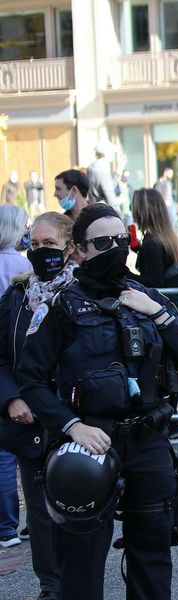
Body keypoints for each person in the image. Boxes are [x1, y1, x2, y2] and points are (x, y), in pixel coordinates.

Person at [18, 203, 178, 600]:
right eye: (104, 243)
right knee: (81, 562)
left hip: (148, 441)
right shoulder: (61, 306)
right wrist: (72, 426)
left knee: (152, 554)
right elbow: (30, 380)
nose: (116, 248)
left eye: (123, 239)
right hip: (88, 444)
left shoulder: (147, 297)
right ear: (80, 250)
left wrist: (158, 314)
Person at [0, 211, 77, 597]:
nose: (41, 250)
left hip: (76, 419)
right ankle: (51, 585)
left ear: (69, 247)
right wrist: (12, 397)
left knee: (79, 505)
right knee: (41, 512)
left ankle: (79, 579)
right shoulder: (16, 297)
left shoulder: (83, 293)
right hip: (29, 422)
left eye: (50, 244)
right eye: (35, 243)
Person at [131, 188, 178, 444]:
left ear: (142, 210)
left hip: (166, 309)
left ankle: (174, 424)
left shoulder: (152, 241)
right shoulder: (165, 237)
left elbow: (153, 281)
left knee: (168, 367)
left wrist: (126, 276)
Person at [0, 205, 32, 552]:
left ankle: (6, 525)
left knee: (4, 451)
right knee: (29, 444)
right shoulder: (24, 267)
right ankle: (33, 521)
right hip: (22, 359)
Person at [87, 142, 119, 208]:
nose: (113, 155)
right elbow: (109, 193)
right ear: (105, 153)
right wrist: (116, 209)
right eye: (112, 152)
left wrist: (119, 170)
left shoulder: (91, 168)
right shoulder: (102, 170)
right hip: (104, 209)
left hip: (94, 207)